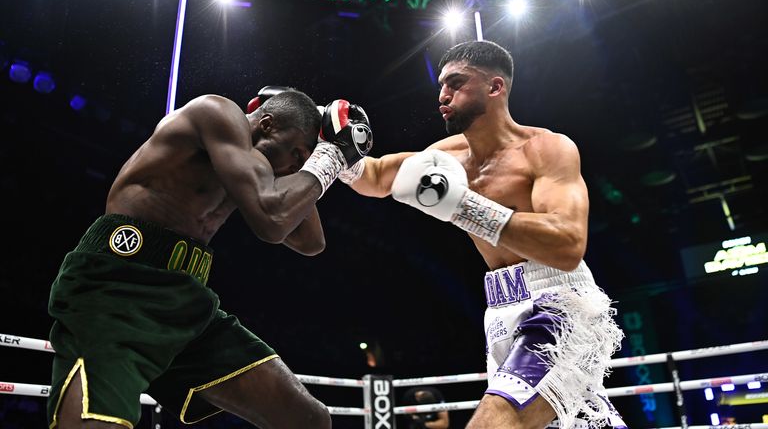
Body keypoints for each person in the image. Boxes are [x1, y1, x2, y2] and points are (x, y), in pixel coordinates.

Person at [46, 86, 372, 428]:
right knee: (97, 423)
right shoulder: (216, 112)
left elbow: (310, 241)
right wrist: (330, 157)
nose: (296, 166)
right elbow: (272, 221)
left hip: (185, 300)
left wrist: (322, 156)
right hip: (117, 286)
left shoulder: (261, 167)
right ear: (267, 124)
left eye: (303, 161)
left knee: (309, 419)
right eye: (296, 154)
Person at [340, 40, 626, 429]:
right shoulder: (446, 156)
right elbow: (372, 177)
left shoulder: (545, 149)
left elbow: (567, 245)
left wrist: (464, 206)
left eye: (456, 83)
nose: (443, 95)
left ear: (495, 87)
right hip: (500, 310)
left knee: (495, 422)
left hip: (561, 305)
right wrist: (327, 145)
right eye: (441, 85)